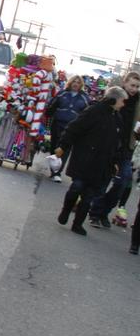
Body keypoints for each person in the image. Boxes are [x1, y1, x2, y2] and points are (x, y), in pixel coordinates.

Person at [55, 86, 127, 236]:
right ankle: (66, 210)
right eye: (122, 101)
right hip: (84, 159)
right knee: (76, 188)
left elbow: (117, 144)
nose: (123, 104)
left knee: (88, 197)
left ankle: (77, 224)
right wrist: (63, 145)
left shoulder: (117, 119)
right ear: (113, 99)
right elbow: (74, 128)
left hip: (102, 166)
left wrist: (115, 162)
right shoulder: (93, 111)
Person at [88, 72, 140, 227]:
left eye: (137, 87)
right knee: (103, 181)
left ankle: (103, 210)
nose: (135, 89)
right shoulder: (115, 96)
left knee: (122, 182)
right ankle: (95, 214)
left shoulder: (138, 102)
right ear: (125, 83)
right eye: (132, 85)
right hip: (109, 146)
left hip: (127, 148)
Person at [47, 74, 89, 182]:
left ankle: (57, 172)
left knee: (65, 149)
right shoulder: (62, 93)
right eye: (74, 81)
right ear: (70, 83)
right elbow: (52, 106)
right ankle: (53, 169)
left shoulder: (84, 98)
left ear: (81, 85)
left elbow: (87, 113)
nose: (76, 84)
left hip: (72, 128)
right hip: (57, 124)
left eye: (78, 82)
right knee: (55, 146)